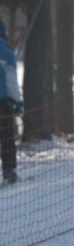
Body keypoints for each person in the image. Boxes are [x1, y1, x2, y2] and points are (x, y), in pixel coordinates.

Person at [0, 19, 23, 184]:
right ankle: (9, 170)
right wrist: (17, 101)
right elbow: (11, 81)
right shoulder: (6, 52)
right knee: (6, 136)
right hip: (2, 102)